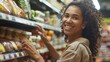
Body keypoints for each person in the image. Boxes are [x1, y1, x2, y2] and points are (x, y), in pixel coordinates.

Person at [22, 0, 103, 62]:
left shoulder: (75, 48)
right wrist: (46, 41)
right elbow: (62, 59)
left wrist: (36, 56)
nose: (68, 20)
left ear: (83, 24)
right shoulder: (81, 45)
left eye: (75, 17)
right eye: (66, 16)